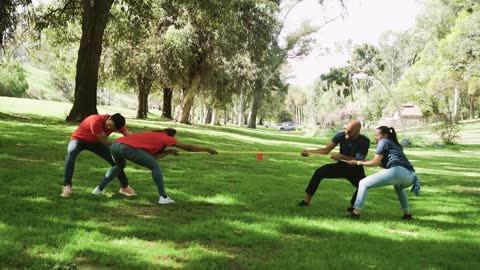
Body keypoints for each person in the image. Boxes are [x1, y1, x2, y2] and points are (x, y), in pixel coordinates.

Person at [92, 128, 218, 205]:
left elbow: (148, 157)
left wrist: (167, 152)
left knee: (119, 166)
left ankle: (98, 190)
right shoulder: (167, 138)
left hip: (116, 145)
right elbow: (189, 147)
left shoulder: (151, 134)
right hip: (126, 148)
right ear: (170, 136)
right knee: (155, 167)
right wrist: (208, 149)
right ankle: (163, 197)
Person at [345, 126, 420, 219]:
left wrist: (357, 162)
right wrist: (367, 161)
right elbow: (384, 164)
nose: (375, 137)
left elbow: (374, 163)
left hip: (399, 172)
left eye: (377, 135)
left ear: (385, 135)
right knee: (398, 187)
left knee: (363, 183)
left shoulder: (383, 142)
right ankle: (407, 214)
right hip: (411, 176)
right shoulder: (395, 144)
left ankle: (355, 213)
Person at [298, 119, 370, 214]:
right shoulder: (340, 135)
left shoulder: (364, 141)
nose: (347, 133)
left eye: (350, 132)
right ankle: (305, 202)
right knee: (319, 172)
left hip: (355, 169)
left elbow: (358, 160)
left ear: (358, 132)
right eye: (346, 129)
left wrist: (341, 156)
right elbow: (326, 150)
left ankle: (351, 207)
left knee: (363, 185)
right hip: (341, 166)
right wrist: (309, 152)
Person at [61, 113, 136, 198]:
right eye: (109, 125)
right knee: (71, 153)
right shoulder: (96, 121)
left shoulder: (118, 123)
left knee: (116, 161)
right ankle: (67, 186)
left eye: (113, 128)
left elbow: (128, 135)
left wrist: (138, 144)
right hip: (79, 140)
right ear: (109, 118)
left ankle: (124, 187)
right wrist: (120, 147)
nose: (109, 128)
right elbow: (105, 142)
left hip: (95, 142)